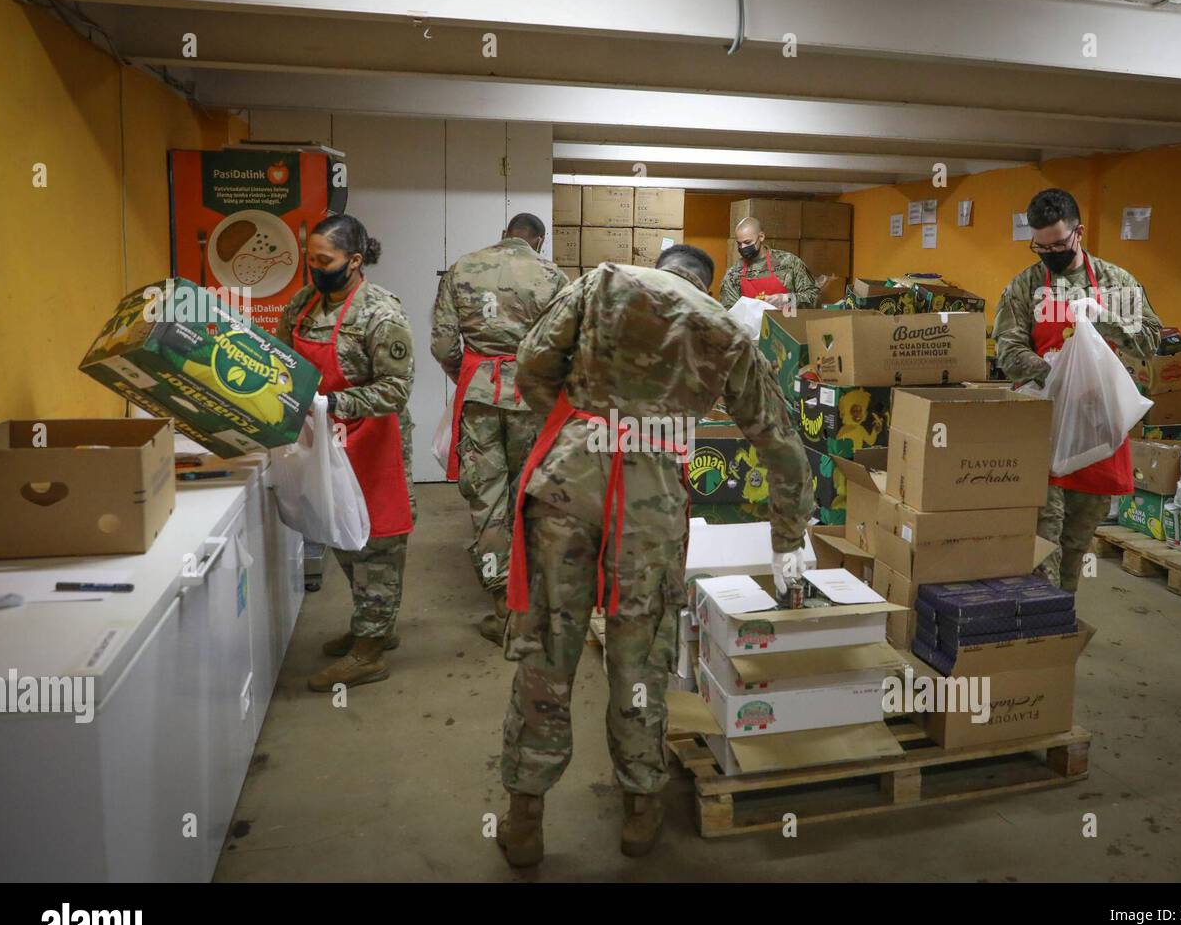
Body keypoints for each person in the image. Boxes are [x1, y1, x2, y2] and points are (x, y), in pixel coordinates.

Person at [496, 245, 813, 867]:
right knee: (639, 656)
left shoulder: (601, 283)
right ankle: (641, 807)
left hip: (566, 488)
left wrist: (581, 426)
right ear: (703, 281)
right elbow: (779, 442)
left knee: (548, 652)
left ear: (662, 265)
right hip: (652, 506)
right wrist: (785, 536)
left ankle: (526, 817)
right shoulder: (725, 327)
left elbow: (532, 366)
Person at [994, 188, 1162, 593]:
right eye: (1040, 245)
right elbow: (1006, 348)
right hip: (1044, 431)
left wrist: (1106, 319)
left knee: (1076, 544)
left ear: (1079, 233)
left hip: (1098, 433)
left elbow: (1151, 340)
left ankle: (1061, 624)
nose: (1049, 252)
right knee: (1042, 542)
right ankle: (1038, 623)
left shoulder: (1115, 282)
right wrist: (1052, 373)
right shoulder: (1027, 286)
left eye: (1058, 243)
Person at [276, 213, 417, 691]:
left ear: (355, 261)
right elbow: (283, 363)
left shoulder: (380, 313)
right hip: (324, 441)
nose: (314, 267)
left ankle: (371, 650)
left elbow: (396, 390)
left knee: (377, 540)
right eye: (309, 258)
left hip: (373, 441)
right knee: (340, 529)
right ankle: (371, 623)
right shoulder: (301, 304)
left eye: (324, 260)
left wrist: (333, 402)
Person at [431, 213, 569, 643]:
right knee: (531, 493)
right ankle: (537, 597)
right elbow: (570, 346)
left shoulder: (463, 268)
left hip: (479, 398)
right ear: (539, 241)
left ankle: (502, 606)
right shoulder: (554, 276)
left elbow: (442, 343)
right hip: (534, 400)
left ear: (503, 236)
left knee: (487, 498)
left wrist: (467, 375)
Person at [718, 215, 820, 310]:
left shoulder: (789, 263)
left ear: (761, 237)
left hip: (786, 326)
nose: (743, 247)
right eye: (739, 244)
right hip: (752, 329)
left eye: (747, 242)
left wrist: (787, 299)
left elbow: (814, 298)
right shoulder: (734, 274)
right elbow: (729, 314)